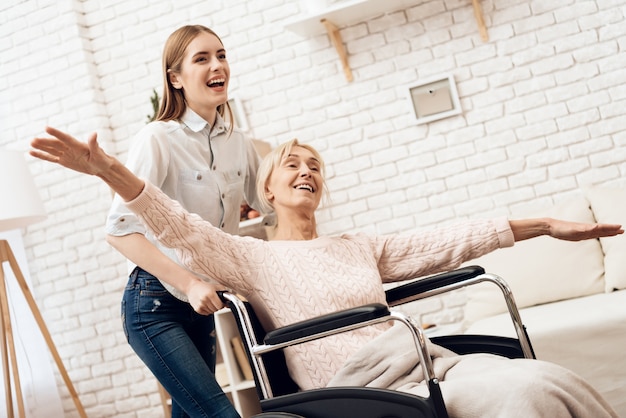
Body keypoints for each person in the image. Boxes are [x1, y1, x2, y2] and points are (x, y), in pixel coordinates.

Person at [30, 129, 622, 418]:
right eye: (292, 164)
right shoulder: (251, 256)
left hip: (419, 361)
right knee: (518, 395)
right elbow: (179, 226)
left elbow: (450, 241)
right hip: (358, 383)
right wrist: (110, 170)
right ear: (265, 189)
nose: (306, 170)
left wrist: (543, 224)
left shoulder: (357, 244)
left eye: (315, 165)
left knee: (545, 381)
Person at [106, 25, 261, 417]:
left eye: (222, 55)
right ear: (175, 78)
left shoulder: (237, 143)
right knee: (220, 414)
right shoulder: (158, 139)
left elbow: (269, 203)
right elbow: (120, 232)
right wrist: (190, 283)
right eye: (202, 58)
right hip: (154, 305)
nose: (217, 65)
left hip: (201, 307)